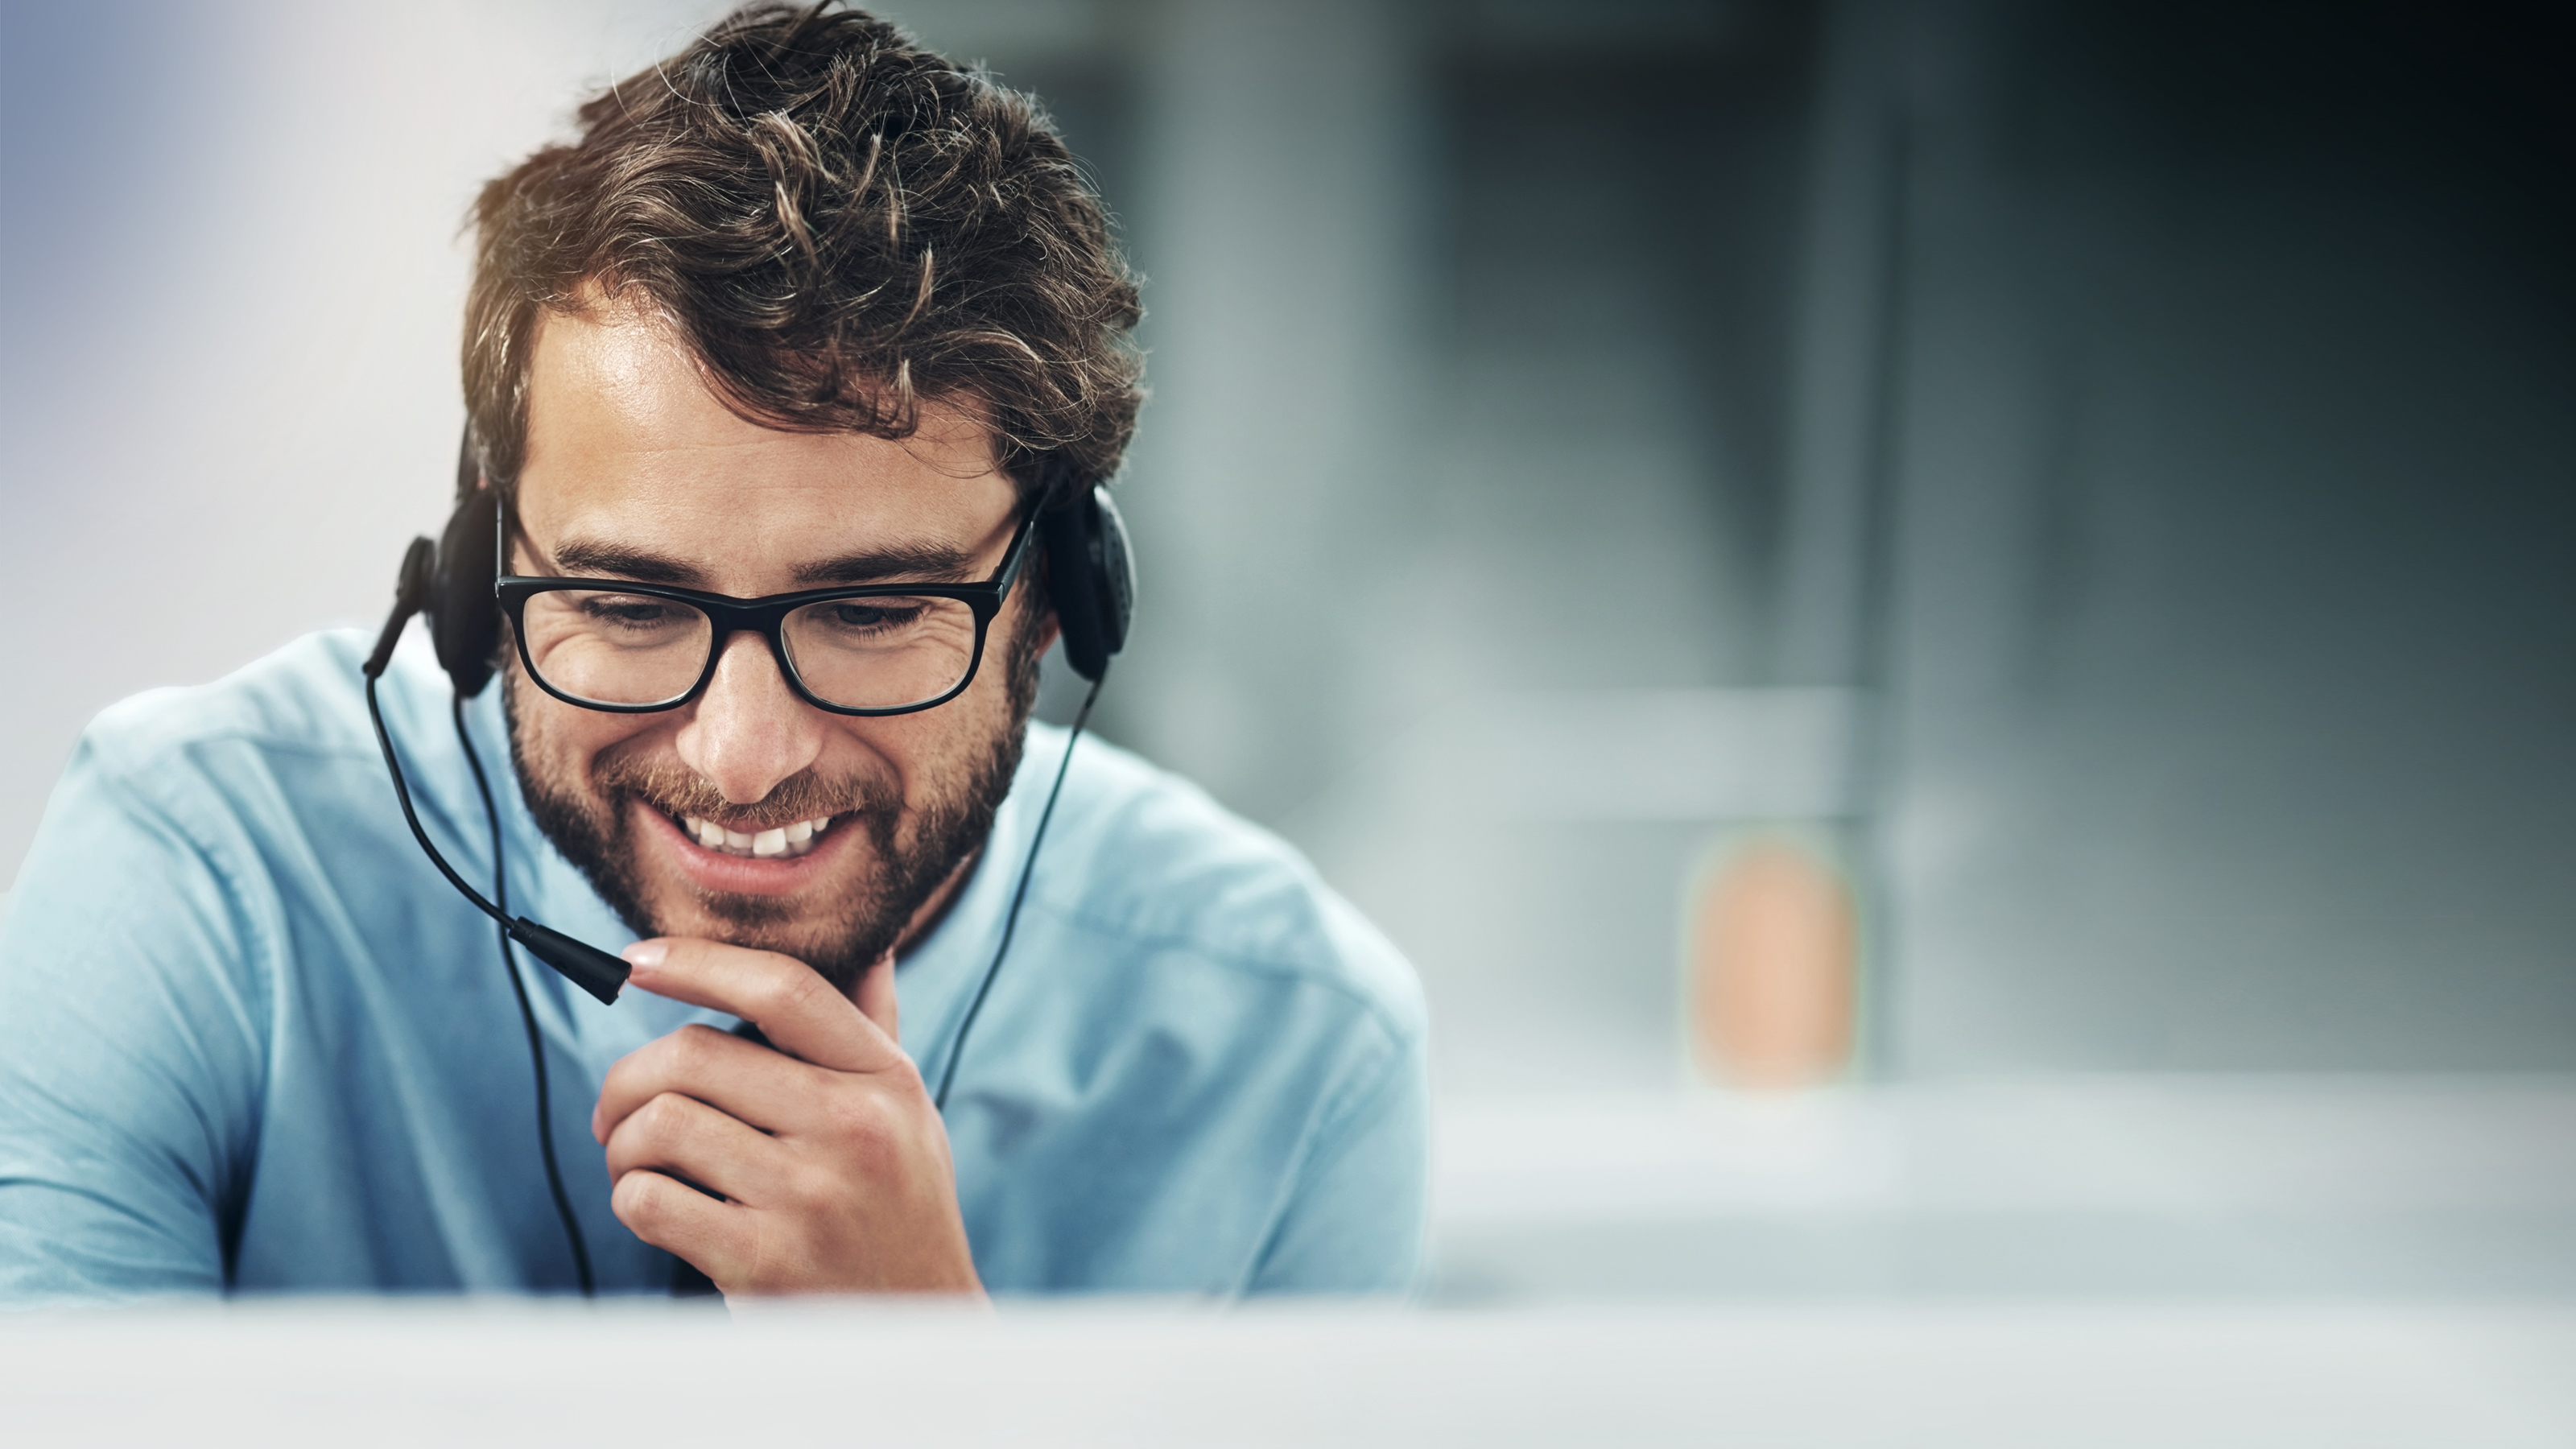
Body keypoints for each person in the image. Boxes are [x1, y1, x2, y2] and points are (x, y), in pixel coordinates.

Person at [0, 3, 1426, 1302]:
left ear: (1053, 601)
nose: (742, 758)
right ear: (482, 582)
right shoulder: (201, 872)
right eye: (629, 606)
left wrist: (928, 1372)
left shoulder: (1301, 1052)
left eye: (871, 611)